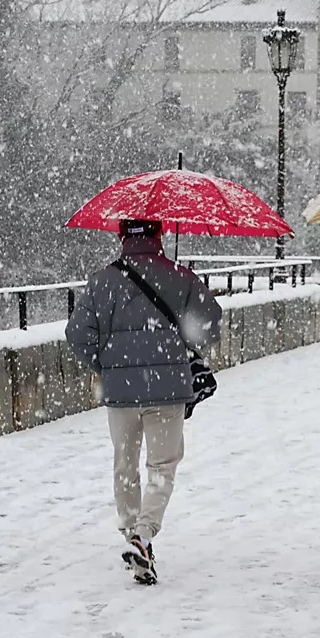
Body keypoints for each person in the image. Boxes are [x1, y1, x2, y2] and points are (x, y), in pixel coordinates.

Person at [66, 219, 222, 585]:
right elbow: (211, 328)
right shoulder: (180, 276)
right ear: (160, 235)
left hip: (120, 394)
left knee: (124, 464)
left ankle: (132, 537)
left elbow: (77, 334)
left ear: (121, 237)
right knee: (162, 467)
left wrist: (107, 365)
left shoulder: (101, 281)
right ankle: (144, 535)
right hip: (167, 391)